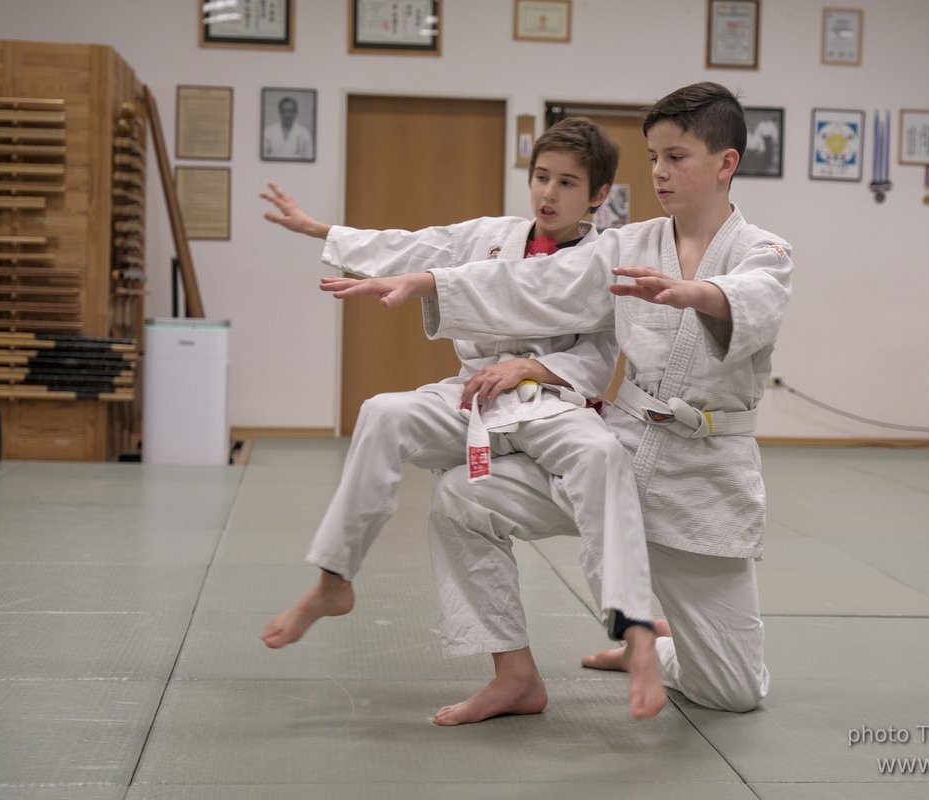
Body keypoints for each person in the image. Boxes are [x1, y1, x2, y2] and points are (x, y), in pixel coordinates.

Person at [320, 82, 793, 726]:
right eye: (654, 156)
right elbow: (535, 281)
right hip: (623, 451)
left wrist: (699, 294)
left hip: (702, 478)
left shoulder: (762, 249)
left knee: (735, 692)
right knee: (464, 498)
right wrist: (427, 279)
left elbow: (759, 296)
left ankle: (662, 646)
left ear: (725, 163)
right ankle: (513, 674)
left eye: (676, 156)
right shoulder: (627, 246)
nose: (659, 171)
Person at [258, 117, 667, 722]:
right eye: (541, 177)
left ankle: (633, 624)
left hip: (553, 404)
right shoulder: (489, 236)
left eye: (568, 183)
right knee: (382, 412)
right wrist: (321, 229)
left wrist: (532, 366)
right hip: (472, 397)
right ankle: (335, 577)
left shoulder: (608, 255)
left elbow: (598, 354)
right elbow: (409, 246)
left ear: (599, 195)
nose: (549, 194)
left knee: (603, 457)